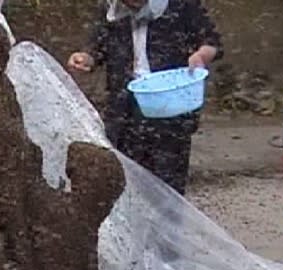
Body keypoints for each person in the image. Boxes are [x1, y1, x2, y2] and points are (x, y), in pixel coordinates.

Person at [67, 0, 222, 195]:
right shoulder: (112, 9)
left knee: (168, 184)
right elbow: (99, 45)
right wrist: (86, 58)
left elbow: (212, 42)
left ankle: (167, 223)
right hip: (125, 107)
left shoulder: (181, 5)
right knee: (127, 181)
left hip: (170, 104)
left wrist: (200, 56)